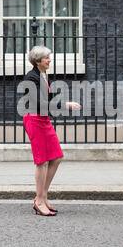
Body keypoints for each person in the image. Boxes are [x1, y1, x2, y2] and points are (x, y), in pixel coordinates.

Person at [23, 46, 82, 217]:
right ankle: (40, 201)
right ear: (37, 60)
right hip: (34, 120)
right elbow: (40, 104)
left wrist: (65, 102)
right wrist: (66, 105)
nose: (49, 60)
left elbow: (47, 100)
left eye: (49, 57)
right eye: (47, 58)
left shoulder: (42, 76)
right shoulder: (31, 78)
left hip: (43, 120)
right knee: (42, 161)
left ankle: (42, 196)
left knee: (56, 158)